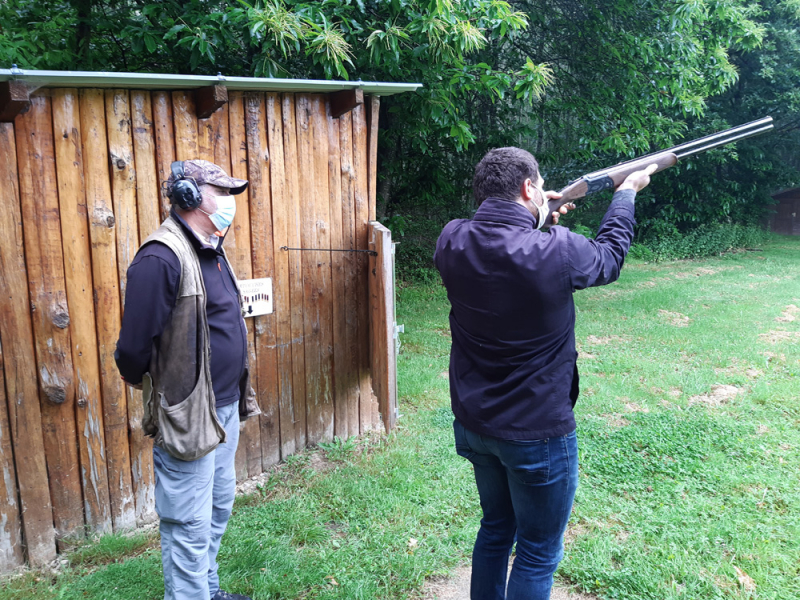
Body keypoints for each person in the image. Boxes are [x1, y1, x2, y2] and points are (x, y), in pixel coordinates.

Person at [433, 147, 657, 600]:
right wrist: (626, 194)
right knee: (537, 551)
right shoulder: (557, 250)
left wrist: (538, 213)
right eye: (537, 187)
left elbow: (498, 238)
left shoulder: (451, 238)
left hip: (476, 423)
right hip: (538, 432)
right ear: (528, 187)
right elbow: (609, 257)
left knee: (496, 530)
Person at [115, 159, 261, 600]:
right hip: (189, 415)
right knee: (188, 523)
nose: (229, 203)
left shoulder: (211, 249)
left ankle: (207, 591)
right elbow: (132, 350)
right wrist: (167, 397)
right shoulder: (160, 257)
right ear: (189, 196)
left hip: (224, 409)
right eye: (221, 192)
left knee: (216, 510)